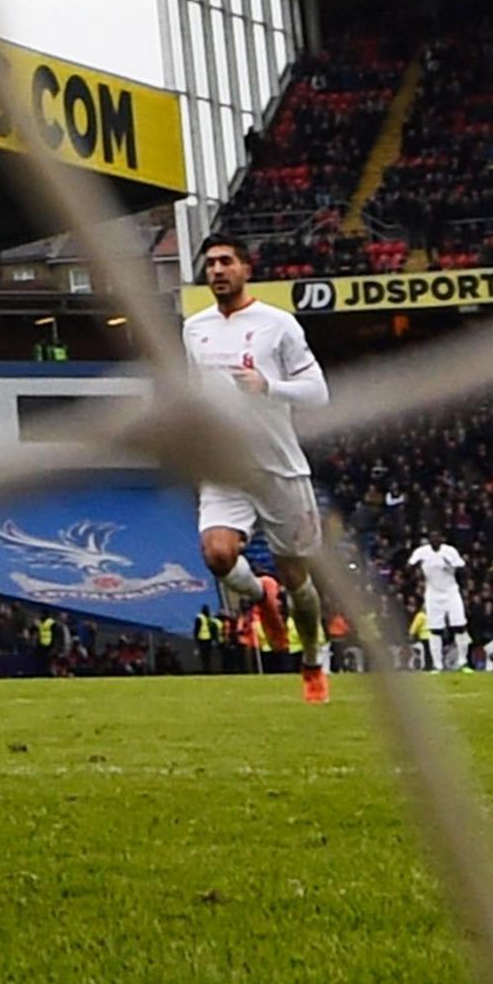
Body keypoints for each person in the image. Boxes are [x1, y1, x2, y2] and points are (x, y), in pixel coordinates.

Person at [182, 234, 337, 705]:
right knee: (217, 555)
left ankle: (311, 659)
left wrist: (269, 386)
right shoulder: (195, 328)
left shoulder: (278, 326)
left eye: (226, 262)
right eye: (210, 264)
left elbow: (318, 392)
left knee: (298, 578)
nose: (217, 271)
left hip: (279, 470)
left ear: (247, 269)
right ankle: (258, 593)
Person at [408, 536, 469, 672]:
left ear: (442, 539)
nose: (435, 540)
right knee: (435, 630)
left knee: (459, 626)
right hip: (433, 594)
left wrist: (452, 567)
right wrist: (415, 569)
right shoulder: (421, 552)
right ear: (429, 540)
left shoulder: (450, 551)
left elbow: (463, 569)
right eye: (432, 538)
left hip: (451, 592)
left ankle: (463, 662)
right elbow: (409, 566)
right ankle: (437, 665)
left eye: (438, 537)